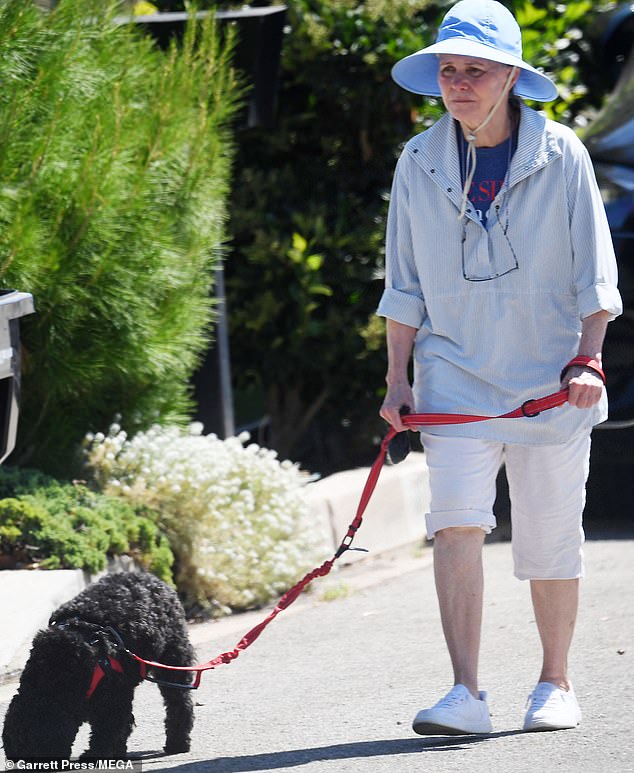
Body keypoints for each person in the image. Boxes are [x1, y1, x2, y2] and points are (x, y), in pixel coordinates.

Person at [377, 0, 622, 735]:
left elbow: (596, 274)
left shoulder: (565, 154)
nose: (458, 84)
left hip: (550, 379)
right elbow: (403, 281)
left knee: (550, 534)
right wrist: (396, 378)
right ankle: (465, 692)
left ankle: (555, 680)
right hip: (451, 372)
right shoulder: (418, 160)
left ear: (511, 76)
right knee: (455, 523)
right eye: (448, 71)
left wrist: (589, 357)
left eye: (474, 70)